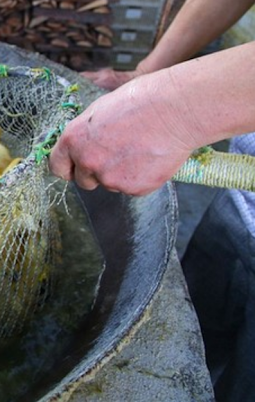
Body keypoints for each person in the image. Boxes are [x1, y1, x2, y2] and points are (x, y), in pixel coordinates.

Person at [48, 1, 255, 400]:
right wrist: (150, 73)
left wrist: (172, 110)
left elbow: (174, 112)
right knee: (203, 319)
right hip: (242, 196)